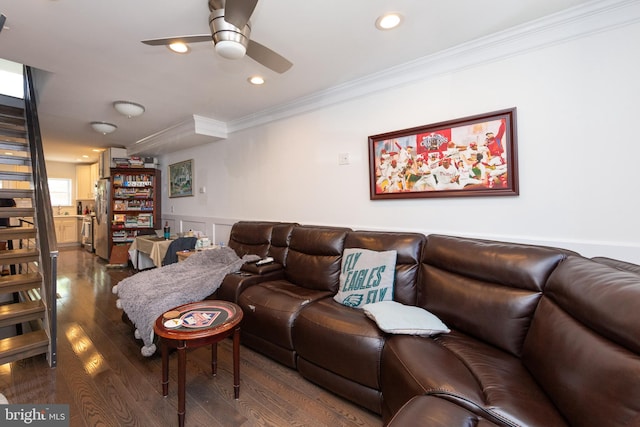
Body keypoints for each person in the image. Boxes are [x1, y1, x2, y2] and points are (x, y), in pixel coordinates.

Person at [0, 198, 16, 275]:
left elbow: (14, 206)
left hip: (3, 225)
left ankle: (4, 268)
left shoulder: (6, 197)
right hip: (4, 224)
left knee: (2, 247)